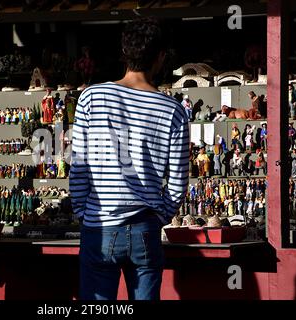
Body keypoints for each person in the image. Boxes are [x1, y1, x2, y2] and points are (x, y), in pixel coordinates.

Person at [70, 17, 189, 300]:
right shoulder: (173, 110)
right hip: (145, 226)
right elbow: (178, 179)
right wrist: (160, 216)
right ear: (160, 58)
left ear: (124, 54)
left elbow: (79, 165)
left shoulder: (91, 97)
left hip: (98, 225)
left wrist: (82, 211)